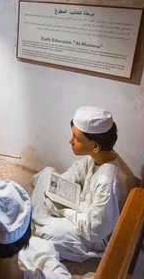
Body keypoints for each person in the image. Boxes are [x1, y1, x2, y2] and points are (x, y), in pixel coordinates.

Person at [32, 106, 137, 262]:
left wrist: (63, 211)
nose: (70, 141)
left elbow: (95, 229)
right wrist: (59, 188)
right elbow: (76, 171)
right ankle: (40, 216)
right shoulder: (100, 156)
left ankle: (38, 218)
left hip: (95, 233)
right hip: (80, 206)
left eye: (76, 138)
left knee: (51, 232)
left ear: (95, 145)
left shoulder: (108, 182)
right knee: (48, 173)